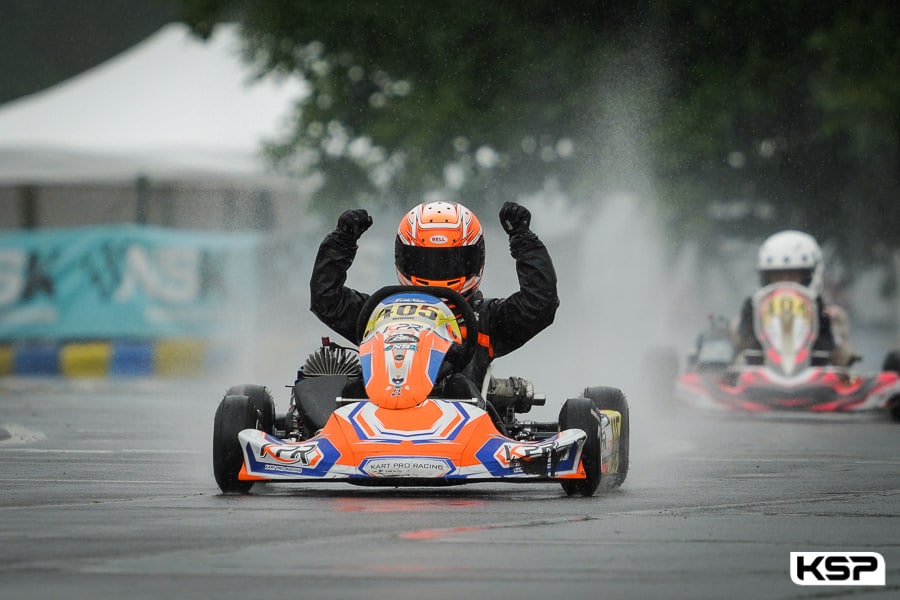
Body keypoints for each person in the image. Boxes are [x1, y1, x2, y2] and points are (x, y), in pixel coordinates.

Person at [309, 199, 559, 389]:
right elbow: (326, 299)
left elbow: (540, 303)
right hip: (376, 418)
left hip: (463, 426)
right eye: (426, 262)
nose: (438, 272)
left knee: (459, 388)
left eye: (450, 261)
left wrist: (523, 239)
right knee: (345, 387)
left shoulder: (486, 319)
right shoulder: (378, 311)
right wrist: (342, 241)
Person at [732, 229, 855, 366]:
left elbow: (844, 361)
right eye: (778, 276)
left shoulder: (831, 317)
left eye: (792, 275)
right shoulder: (750, 313)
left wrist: (840, 352)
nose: (785, 282)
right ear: (766, 278)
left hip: (815, 378)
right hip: (759, 377)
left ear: (808, 277)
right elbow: (738, 355)